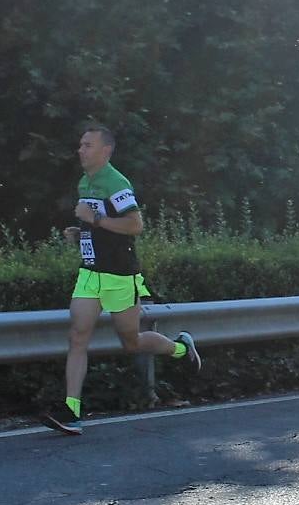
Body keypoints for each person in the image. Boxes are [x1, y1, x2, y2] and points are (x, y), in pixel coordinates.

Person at [42, 126, 200, 436]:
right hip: (90, 273)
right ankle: (72, 410)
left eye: (88, 145)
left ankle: (181, 348)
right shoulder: (84, 182)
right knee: (78, 335)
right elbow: (96, 225)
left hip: (120, 276)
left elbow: (134, 225)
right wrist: (82, 233)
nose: (81, 150)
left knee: (131, 342)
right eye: (80, 144)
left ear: (105, 151)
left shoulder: (117, 183)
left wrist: (94, 221)